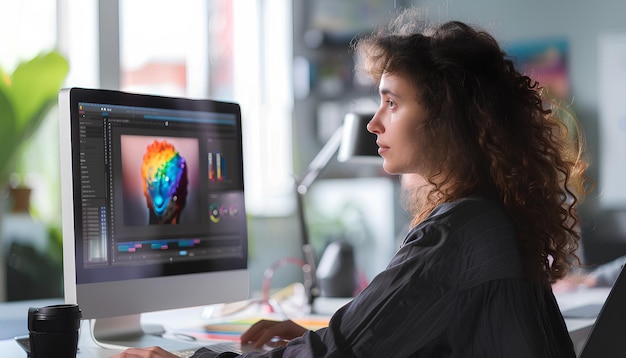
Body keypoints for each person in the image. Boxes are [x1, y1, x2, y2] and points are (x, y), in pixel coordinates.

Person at [112, 8, 590, 358]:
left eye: (392, 103)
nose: (373, 123)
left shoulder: (454, 236)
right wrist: (320, 337)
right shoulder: (486, 216)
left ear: (445, 118)